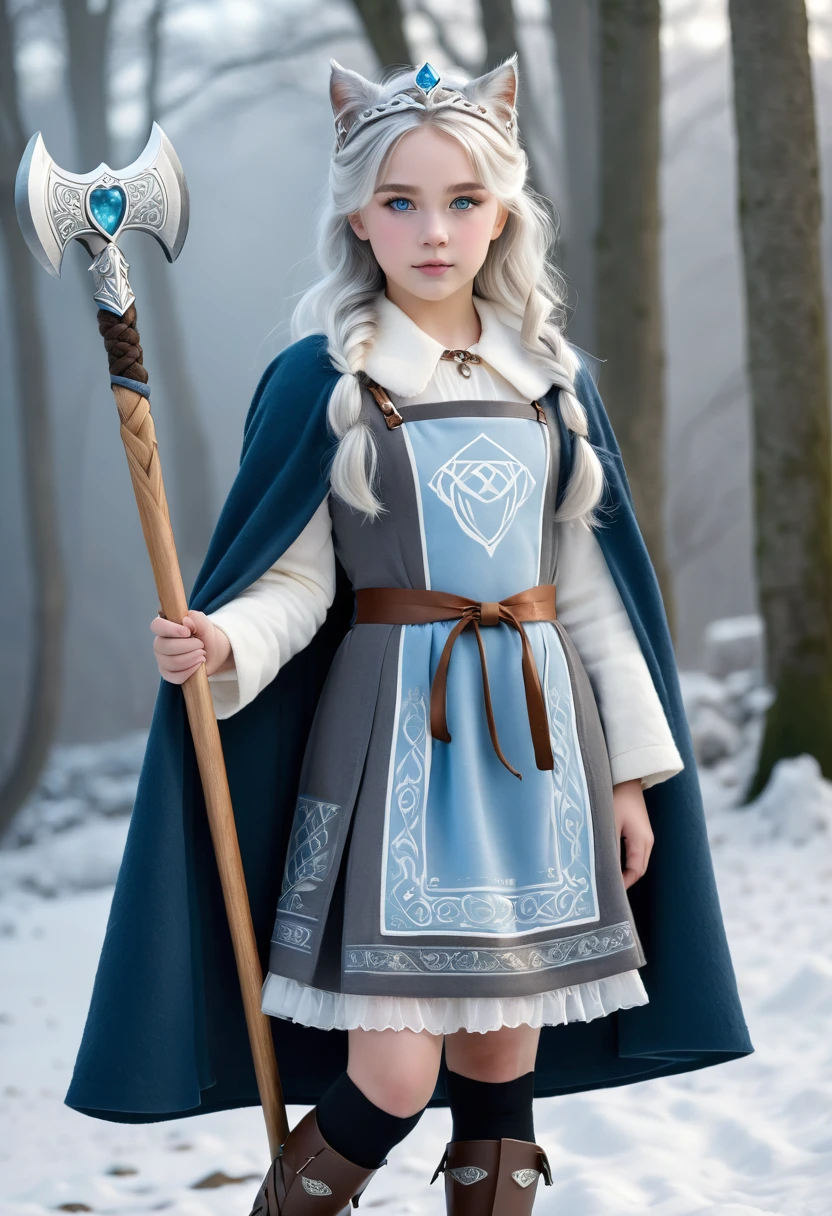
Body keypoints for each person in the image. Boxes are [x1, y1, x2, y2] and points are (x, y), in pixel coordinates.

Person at [66, 55, 753, 1216]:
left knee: (499, 1054)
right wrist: (224, 641)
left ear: (502, 213)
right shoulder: (324, 381)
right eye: (401, 201)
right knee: (393, 1065)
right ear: (356, 213)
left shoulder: (552, 384)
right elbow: (295, 581)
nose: (433, 230)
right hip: (395, 755)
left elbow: (590, 594)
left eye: (461, 201)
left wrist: (633, 775)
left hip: (540, 758)